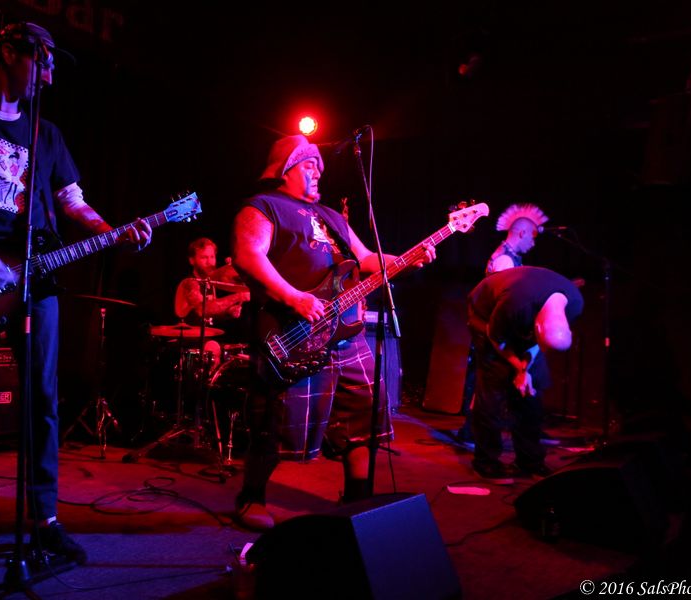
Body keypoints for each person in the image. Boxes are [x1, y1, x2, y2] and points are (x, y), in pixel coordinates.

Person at [0, 22, 151, 574]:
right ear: (8, 51)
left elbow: (73, 201)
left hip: (36, 280)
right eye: (42, 63)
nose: (48, 77)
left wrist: (112, 230)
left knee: (42, 399)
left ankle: (44, 519)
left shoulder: (46, 133)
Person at [230, 135, 435, 529]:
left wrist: (409, 259)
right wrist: (294, 297)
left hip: (346, 332)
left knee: (362, 420)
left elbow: (366, 259)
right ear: (285, 168)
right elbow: (248, 255)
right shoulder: (263, 206)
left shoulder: (331, 216)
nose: (318, 173)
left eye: (319, 167)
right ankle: (251, 497)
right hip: (292, 330)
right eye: (309, 165)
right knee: (275, 420)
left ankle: (357, 501)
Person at [467, 266, 583, 483]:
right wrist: (518, 368)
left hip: (527, 317)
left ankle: (530, 460)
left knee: (531, 390)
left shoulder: (575, 304)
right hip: (487, 317)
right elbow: (496, 338)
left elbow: (539, 343)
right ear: (537, 327)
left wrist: (525, 370)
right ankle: (486, 462)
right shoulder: (515, 304)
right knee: (494, 388)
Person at [453, 203, 550, 449]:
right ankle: (476, 436)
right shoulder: (505, 261)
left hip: (494, 332)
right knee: (488, 389)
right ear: (522, 233)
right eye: (533, 237)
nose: (534, 244)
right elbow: (502, 301)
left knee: (486, 388)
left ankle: (473, 433)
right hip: (492, 334)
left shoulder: (508, 258)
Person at [173, 237, 251, 361]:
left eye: (212, 257)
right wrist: (238, 296)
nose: (210, 262)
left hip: (208, 341)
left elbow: (211, 313)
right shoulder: (189, 283)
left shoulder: (210, 284)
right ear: (192, 260)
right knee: (213, 348)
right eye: (204, 258)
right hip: (189, 345)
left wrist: (228, 312)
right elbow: (202, 309)